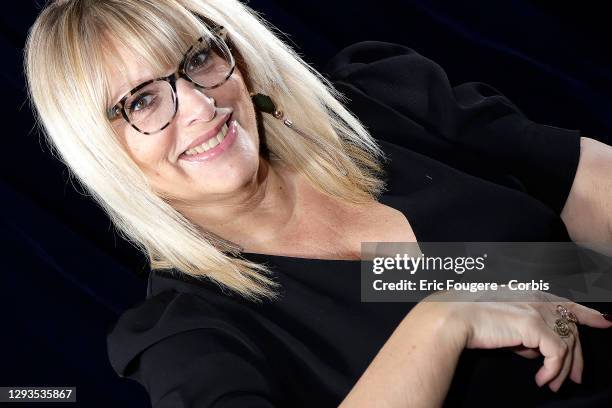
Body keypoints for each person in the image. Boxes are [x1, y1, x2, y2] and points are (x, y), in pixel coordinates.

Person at [24, 0, 612, 407]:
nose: (201, 107)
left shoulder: (381, 103)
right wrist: (443, 321)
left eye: (198, 59)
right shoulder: (188, 330)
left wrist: (554, 289)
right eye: (143, 100)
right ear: (102, 150)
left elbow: (588, 200)